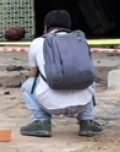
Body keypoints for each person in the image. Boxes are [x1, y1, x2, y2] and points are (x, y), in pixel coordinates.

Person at [20, 9, 103, 138]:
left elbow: (33, 74)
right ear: (68, 27)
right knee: (89, 78)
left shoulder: (38, 43)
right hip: (81, 103)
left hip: (49, 104)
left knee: (28, 85)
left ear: (45, 28)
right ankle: (87, 121)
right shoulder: (82, 41)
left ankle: (42, 122)